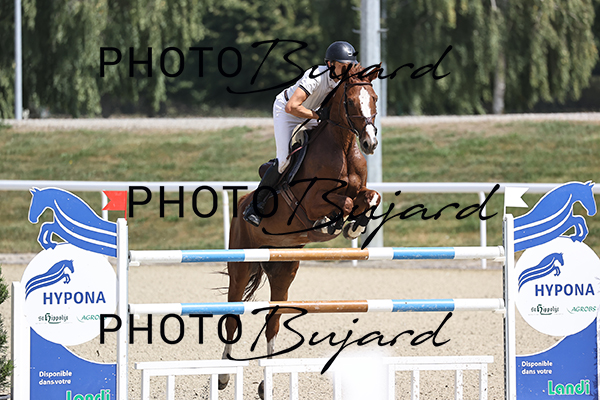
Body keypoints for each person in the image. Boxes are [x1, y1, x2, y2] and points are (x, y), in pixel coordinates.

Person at [243, 41, 358, 227]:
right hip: (287, 112)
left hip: (312, 112)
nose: (347, 70)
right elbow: (292, 107)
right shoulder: (316, 76)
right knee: (284, 161)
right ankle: (256, 206)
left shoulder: (342, 81)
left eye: (350, 66)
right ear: (330, 64)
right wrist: (318, 115)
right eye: (343, 66)